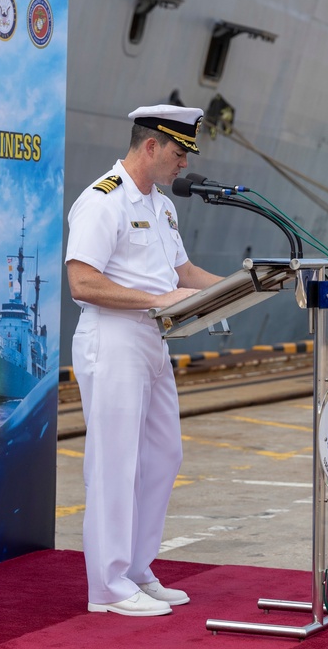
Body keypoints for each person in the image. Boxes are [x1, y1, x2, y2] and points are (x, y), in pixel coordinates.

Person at [66, 104, 222, 617]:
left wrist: (240, 287)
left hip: (153, 338)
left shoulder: (162, 206)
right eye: (178, 153)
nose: (183, 164)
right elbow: (82, 281)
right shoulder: (102, 200)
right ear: (151, 146)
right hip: (112, 338)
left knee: (163, 454)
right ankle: (108, 587)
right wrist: (159, 300)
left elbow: (183, 272)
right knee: (115, 462)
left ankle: (136, 568)